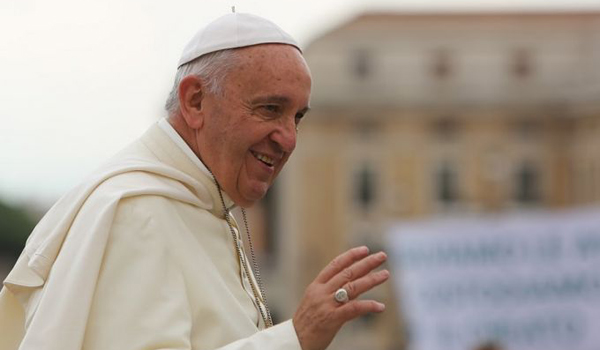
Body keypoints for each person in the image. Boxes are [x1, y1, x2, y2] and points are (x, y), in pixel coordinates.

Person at [0, 12, 389, 350]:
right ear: (196, 102)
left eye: (297, 117)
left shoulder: (202, 202)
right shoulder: (137, 213)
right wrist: (297, 337)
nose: (288, 139)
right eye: (270, 109)